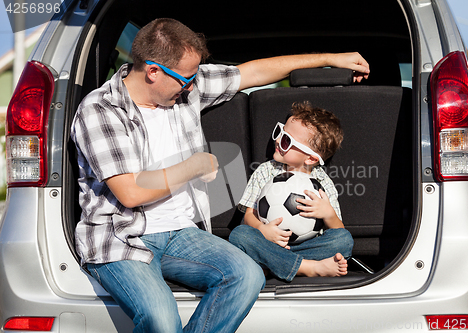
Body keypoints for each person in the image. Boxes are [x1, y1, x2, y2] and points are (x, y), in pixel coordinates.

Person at [71, 18, 369, 333]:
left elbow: (253, 72)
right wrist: (193, 166)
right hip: (121, 238)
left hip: (181, 234)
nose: (192, 85)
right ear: (153, 71)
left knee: (247, 275)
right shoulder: (100, 111)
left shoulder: (186, 87)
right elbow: (130, 192)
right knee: (160, 318)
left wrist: (329, 59)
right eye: (186, 78)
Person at [229, 102, 354, 282]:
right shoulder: (265, 171)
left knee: (344, 240)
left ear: (311, 158)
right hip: (266, 243)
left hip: (307, 246)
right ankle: (308, 268)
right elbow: (249, 215)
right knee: (239, 235)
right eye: (280, 132)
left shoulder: (323, 183)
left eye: (287, 140)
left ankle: (271, 264)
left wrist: (327, 213)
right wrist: (262, 230)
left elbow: (338, 230)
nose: (278, 140)